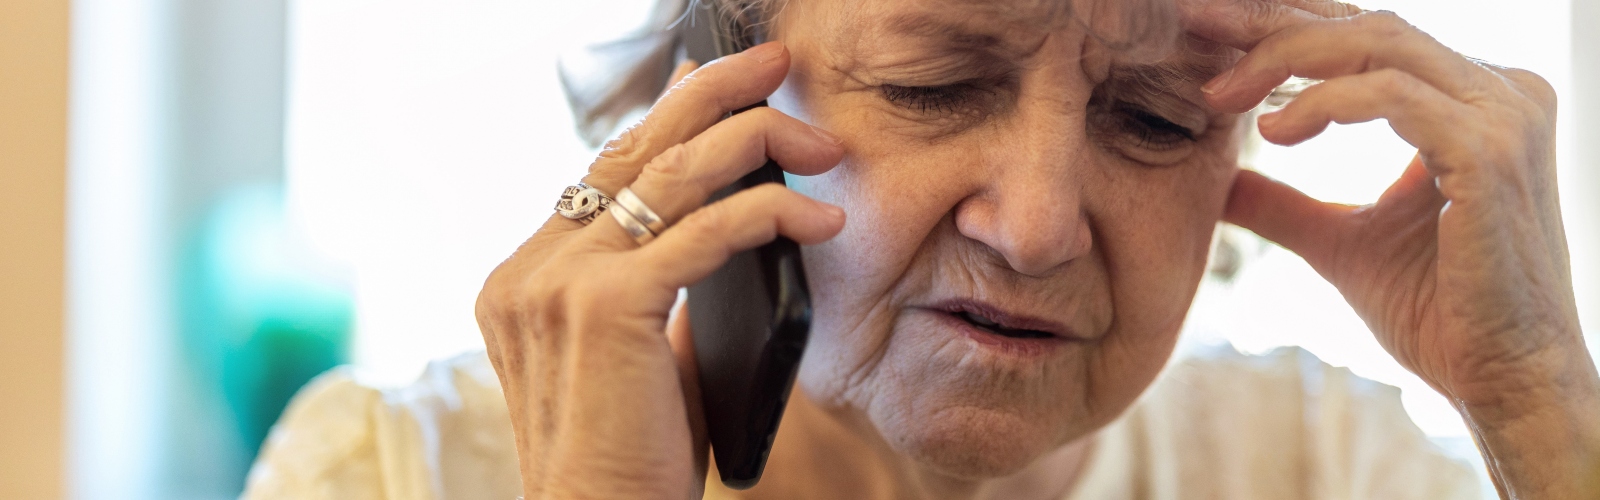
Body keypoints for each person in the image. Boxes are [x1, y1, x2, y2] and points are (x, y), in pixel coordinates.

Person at [243, 0, 1600, 498]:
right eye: (937, 85)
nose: (1036, 224)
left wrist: (1543, 410)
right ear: (713, 80)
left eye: (1153, 117)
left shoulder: (1329, 475)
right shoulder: (390, 476)